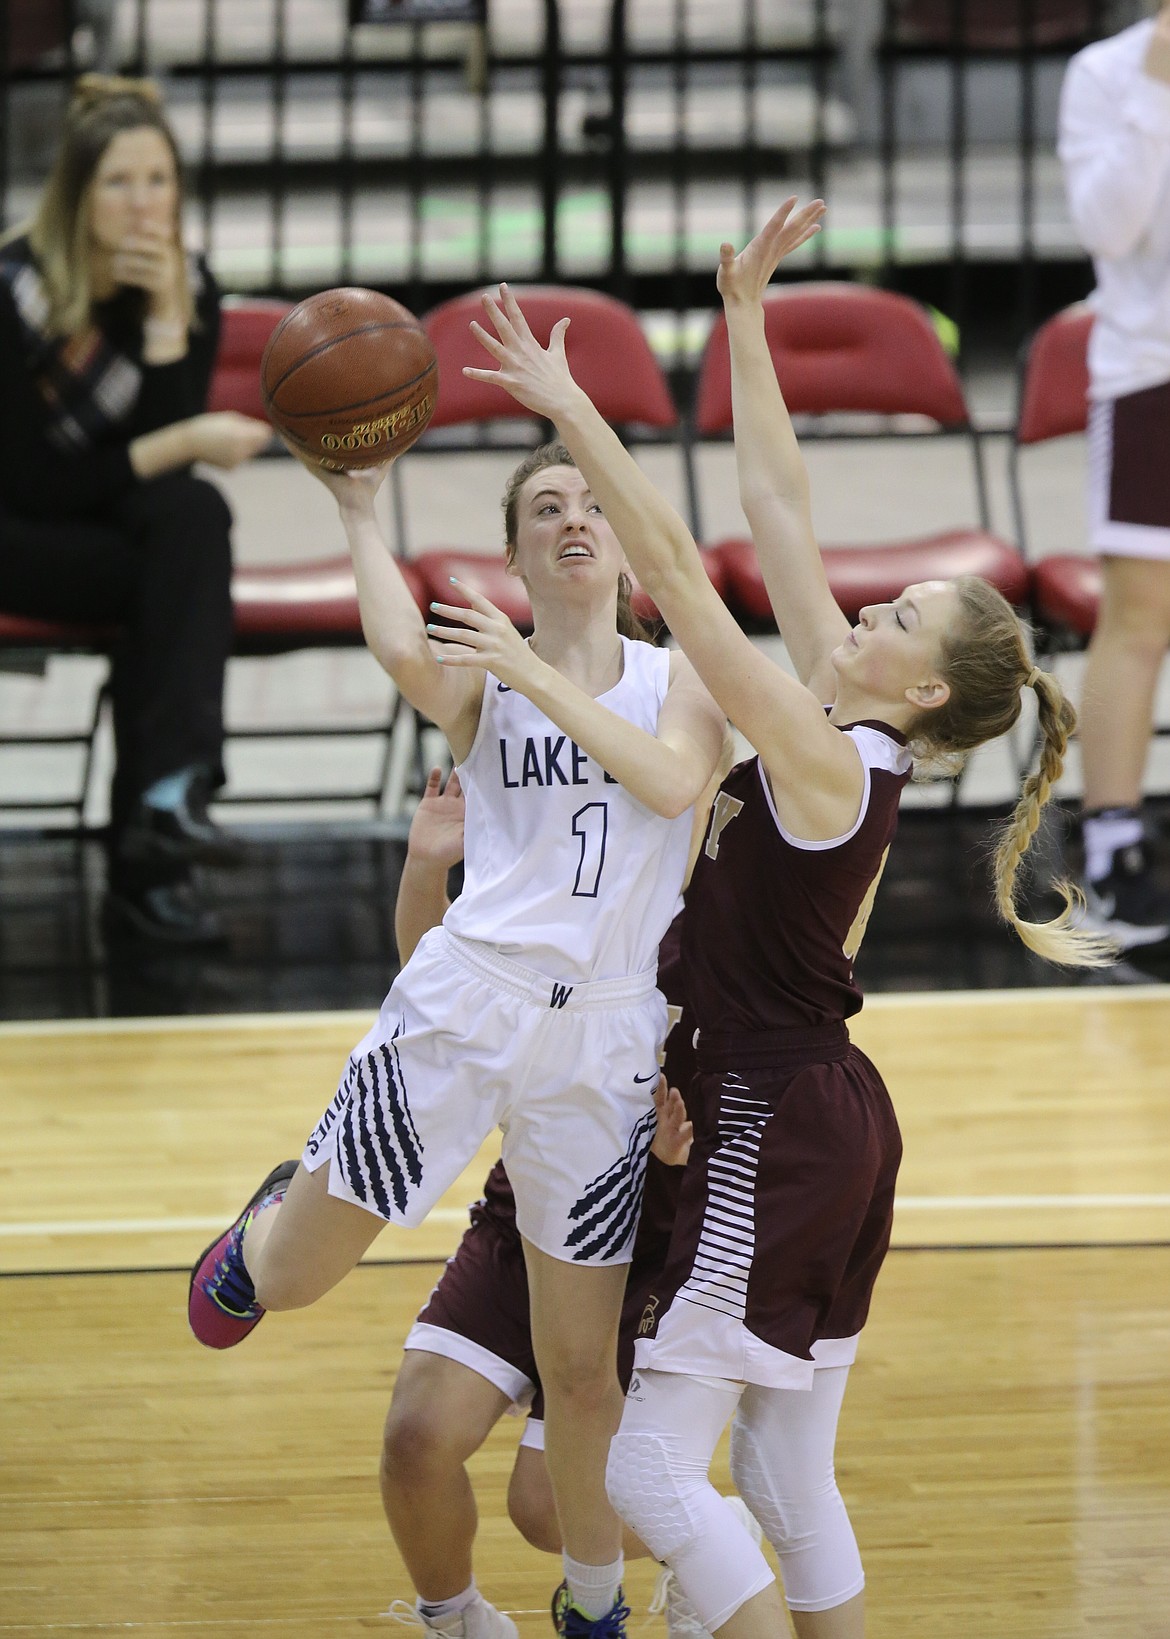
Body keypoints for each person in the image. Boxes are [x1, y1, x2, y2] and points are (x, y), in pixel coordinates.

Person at [460, 202, 1113, 1639]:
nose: (866, 608)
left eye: (899, 615)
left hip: (768, 1108)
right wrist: (745, 319)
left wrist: (572, 406)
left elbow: (688, 584)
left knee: (645, 1464)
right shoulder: (840, 713)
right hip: (824, 1111)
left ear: (922, 689)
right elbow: (777, 508)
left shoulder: (822, 757)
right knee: (781, 1467)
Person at [187, 440, 727, 1639]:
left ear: (629, 547)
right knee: (290, 1282)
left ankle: (595, 1606)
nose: (575, 518)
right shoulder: (490, 673)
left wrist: (531, 672)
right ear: (518, 551)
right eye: (546, 507)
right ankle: (267, 1220)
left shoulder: (683, 679)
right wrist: (358, 503)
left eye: (593, 503)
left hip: (606, 1043)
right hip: (464, 1005)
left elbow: (674, 784)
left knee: (581, 1369)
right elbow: (396, 645)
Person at [0, 74, 270, 944]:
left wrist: (164, 323)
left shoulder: (189, 287)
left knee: (191, 522)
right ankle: (151, 849)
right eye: (119, 182)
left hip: (114, 540)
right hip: (18, 531)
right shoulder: (17, 292)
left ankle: (166, 796)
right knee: (181, 558)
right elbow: (32, 483)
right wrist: (184, 434)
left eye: (160, 181)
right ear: (77, 196)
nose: (144, 203)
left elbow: (160, 489)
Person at [1059, 3, 1170, 947]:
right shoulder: (1107, 74)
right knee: (1140, 614)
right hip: (1152, 371)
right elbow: (1110, 224)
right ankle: (1113, 847)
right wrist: (1159, 89)